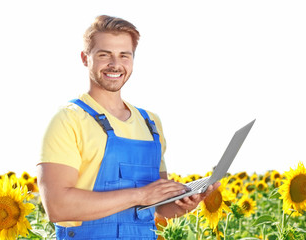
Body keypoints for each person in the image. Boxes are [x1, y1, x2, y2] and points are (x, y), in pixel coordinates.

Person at [37, 15, 220, 240]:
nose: (115, 64)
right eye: (105, 55)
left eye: (124, 55)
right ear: (85, 58)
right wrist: (140, 195)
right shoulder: (69, 120)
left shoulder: (150, 123)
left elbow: (160, 209)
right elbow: (57, 206)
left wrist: (185, 203)